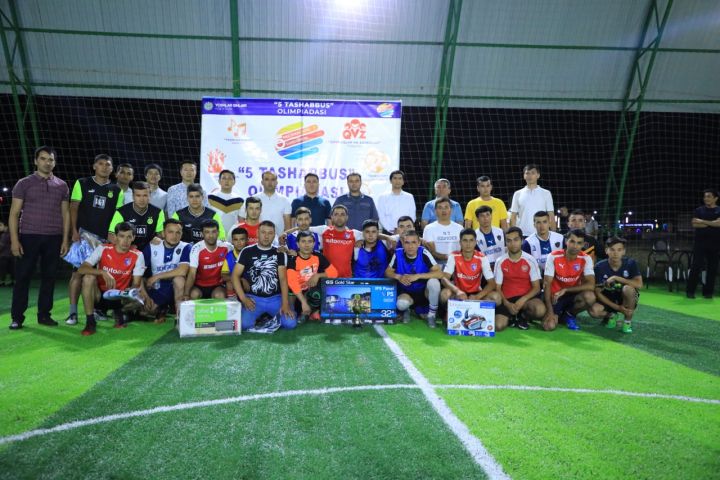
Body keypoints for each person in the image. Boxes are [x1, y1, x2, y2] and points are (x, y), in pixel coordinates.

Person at [8, 146, 70, 329]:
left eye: (50, 159)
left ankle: (44, 315)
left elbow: (66, 214)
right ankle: (17, 317)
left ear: (54, 162)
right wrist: (14, 240)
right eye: (43, 159)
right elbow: (14, 213)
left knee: (49, 277)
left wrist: (65, 240)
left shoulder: (62, 185)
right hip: (29, 236)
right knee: (23, 277)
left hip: (54, 237)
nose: (47, 162)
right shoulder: (24, 183)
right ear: (36, 161)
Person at [66, 154, 124, 326]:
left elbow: (117, 216)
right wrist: (74, 231)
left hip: (104, 241)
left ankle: (97, 309)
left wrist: (113, 235)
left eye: (108, 164)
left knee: (98, 277)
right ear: (94, 166)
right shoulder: (82, 183)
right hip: (84, 236)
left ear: (112, 169)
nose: (104, 167)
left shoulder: (117, 190)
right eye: (101, 164)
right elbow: (73, 207)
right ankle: (73, 313)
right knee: (78, 273)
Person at [77, 222, 150, 336]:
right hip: (99, 296)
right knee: (88, 277)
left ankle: (119, 311)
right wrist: (102, 272)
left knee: (140, 299)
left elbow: (136, 284)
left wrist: (128, 292)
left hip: (120, 297)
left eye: (129, 237)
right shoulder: (103, 249)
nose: (125, 241)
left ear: (133, 238)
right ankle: (90, 322)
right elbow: (81, 269)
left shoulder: (138, 255)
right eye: (121, 236)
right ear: (115, 237)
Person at [231, 221, 296, 330]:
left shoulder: (280, 253)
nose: (266, 236)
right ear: (257, 233)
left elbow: (283, 279)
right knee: (244, 325)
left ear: (274, 235)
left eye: (270, 233)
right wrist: (244, 299)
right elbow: (235, 276)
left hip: (275, 298)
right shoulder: (247, 251)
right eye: (263, 232)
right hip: (254, 298)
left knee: (290, 324)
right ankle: (263, 316)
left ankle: (273, 314)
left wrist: (285, 304)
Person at [440, 229, 501, 325]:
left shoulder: (482, 257)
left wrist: (477, 296)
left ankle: (481, 315)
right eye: (465, 240)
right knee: (445, 294)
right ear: (460, 242)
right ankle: (448, 313)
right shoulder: (454, 256)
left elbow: (492, 283)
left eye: (471, 240)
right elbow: (444, 278)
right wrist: (457, 291)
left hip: (476, 293)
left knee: (496, 297)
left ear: (475, 242)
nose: (468, 244)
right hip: (458, 294)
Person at [385, 230, 443, 327]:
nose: (410, 246)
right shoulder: (398, 254)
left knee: (434, 282)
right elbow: (387, 272)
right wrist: (398, 277)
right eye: (407, 242)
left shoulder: (424, 252)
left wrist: (418, 276)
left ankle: (432, 315)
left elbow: (439, 273)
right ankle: (407, 309)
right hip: (406, 291)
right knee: (401, 304)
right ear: (402, 243)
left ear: (419, 243)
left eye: (413, 242)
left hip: (423, 292)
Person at [542, 229, 596, 331]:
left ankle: (569, 315)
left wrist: (566, 290)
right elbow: (547, 284)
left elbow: (591, 285)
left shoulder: (586, 258)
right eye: (572, 241)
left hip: (573, 295)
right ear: (566, 241)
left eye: (579, 243)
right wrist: (550, 311)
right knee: (549, 326)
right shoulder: (553, 256)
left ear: (583, 244)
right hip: (555, 296)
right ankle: (557, 314)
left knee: (590, 297)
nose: (575, 246)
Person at [494, 227, 546, 330]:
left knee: (540, 310)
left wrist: (523, 300)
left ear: (522, 241)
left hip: (526, 300)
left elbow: (536, 288)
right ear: (506, 243)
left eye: (516, 240)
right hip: (507, 299)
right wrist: (507, 304)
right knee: (498, 326)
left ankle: (523, 316)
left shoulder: (530, 260)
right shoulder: (500, 261)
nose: (513, 243)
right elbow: (497, 288)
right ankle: (512, 317)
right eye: (509, 241)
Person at [588, 236, 642, 333]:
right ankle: (612, 315)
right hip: (608, 299)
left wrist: (616, 278)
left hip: (624, 298)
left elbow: (639, 284)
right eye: (612, 250)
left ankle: (627, 322)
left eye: (619, 250)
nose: (615, 253)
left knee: (628, 289)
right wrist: (617, 308)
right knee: (594, 311)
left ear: (624, 251)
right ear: (606, 251)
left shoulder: (631, 263)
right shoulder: (599, 267)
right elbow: (598, 292)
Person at [142, 218, 191, 322]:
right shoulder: (152, 247)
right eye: (170, 232)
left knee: (179, 279)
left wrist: (157, 276)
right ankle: (163, 308)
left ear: (182, 234)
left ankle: (179, 318)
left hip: (176, 288)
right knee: (147, 310)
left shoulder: (186, 247)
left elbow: (182, 270)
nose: (174, 236)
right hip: (158, 287)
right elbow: (139, 275)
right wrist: (146, 297)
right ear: (163, 233)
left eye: (178, 232)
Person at [286, 231, 338, 321]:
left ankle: (313, 311)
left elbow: (334, 273)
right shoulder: (293, 259)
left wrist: (318, 275)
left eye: (310, 241)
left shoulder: (318, 256)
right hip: (296, 294)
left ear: (314, 243)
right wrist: (303, 302)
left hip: (309, 291)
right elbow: (292, 283)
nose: (307, 245)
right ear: (297, 244)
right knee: (291, 318)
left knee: (319, 288)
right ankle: (298, 310)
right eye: (303, 241)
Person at [305, 204, 363, 278]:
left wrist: (362, 241)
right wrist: (288, 232)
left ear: (347, 217)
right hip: (327, 277)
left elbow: (372, 236)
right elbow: (303, 228)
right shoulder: (324, 230)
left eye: (342, 214)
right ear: (331, 217)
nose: (339, 217)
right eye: (336, 214)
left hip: (346, 278)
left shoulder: (354, 233)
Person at [108, 181, 165, 252]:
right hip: (127, 251)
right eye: (138, 195)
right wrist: (127, 246)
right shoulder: (121, 212)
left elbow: (161, 235)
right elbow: (111, 235)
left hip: (149, 250)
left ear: (150, 196)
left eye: (145, 195)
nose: (141, 199)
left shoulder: (158, 212)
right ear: (133, 196)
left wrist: (158, 239)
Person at [183, 220, 231, 300]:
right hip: (199, 286)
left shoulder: (227, 247)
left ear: (218, 233)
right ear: (202, 234)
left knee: (220, 295)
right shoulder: (197, 248)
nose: (211, 235)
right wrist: (186, 294)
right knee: (193, 295)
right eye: (207, 232)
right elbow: (192, 274)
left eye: (213, 232)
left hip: (218, 285)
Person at [686, 189, 720, 299]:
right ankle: (690, 292)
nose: (706, 198)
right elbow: (695, 224)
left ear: (715, 198)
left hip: (715, 244)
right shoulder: (699, 210)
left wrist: (703, 221)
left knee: (712, 268)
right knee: (696, 267)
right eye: (705, 196)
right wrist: (712, 223)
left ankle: (708, 293)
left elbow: (719, 224)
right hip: (700, 243)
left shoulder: (719, 210)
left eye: (709, 196)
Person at [509, 164, 556, 237]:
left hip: (542, 234)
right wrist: (513, 235)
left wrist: (554, 235)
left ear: (538, 175)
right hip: (523, 234)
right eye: (527, 173)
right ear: (524, 176)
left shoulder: (546, 193)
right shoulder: (517, 194)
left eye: (533, 173)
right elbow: (513, 217)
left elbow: (551, 215)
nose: (530, 176)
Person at [422, 197, 463, 267]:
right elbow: (432, 252)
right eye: (440, 208)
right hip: (436, 265)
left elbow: (463, 248)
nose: (443, 210)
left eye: (446, 207)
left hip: (458, 264)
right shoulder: (429, 228)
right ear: (435, 211)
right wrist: (448, 257)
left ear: (451, 210)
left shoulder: (459, 228)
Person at [377, 170, 416, 234]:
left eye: (400, 178)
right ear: (390, 181)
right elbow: (381, 216)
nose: (397, 181)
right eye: (395, 178)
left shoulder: (409, 197)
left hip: (406, 232)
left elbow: (412, 216)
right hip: (388, 232)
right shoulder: (383, 197)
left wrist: (405, 229)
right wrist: (392, 230)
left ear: (403, 182)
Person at [208, 169, 244, 237]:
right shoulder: (210, 198)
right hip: (214, 236)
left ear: (234, 182)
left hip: (233, 236)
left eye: (230, 178)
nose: (227, 181)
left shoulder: (239, 200)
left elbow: (241, 221)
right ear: (219, 181)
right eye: (224, 178)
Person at [221, 227, 249, 299]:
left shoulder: (252, 254)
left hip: (251, 284)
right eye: (236, 239)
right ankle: (233, 302)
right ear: (232, 241)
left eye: (242, 239)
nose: (239, 242)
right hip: (238, 283)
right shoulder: (229, 256)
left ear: (247, 240)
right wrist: (241, 279)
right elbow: (224, 276)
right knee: (229, 283)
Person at [0, 221, 13, 286]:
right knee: (9, 269)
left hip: (4, 255)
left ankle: (2, 281)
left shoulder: (4, 235)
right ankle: (8, 281)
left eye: (0, 225)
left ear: (6, 226)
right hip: (10, 255)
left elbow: (1, 246)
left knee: (3, 269)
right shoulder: (11, 233)